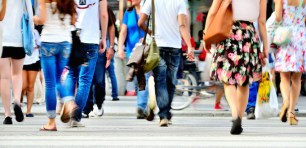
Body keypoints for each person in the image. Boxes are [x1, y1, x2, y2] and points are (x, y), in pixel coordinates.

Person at [204, 0, 268, 135]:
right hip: (249, 35)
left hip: (228, 33)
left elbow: (213, 12)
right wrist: (265, 47)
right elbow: (262, 22)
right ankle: (240, 118)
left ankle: (235, 115)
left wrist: (206, 36)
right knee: (244, 82)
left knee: (228, 80)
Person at [138, 0, 194, 126]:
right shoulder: (180, 2)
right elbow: (182, 26)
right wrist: (189, 46)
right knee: (171, 82)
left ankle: (163, 114)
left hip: (158, 47)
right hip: (174, 47)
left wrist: (151, 33)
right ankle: (166, 113)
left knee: (160, 81)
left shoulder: (151, 1)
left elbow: (141, 22)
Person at [61, 0, 108, 127]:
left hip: (73, 35)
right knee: (85, 80)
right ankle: (75, 118)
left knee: (71, 74)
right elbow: (103, 14)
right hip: (91, 39)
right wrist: (103, 37)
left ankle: (69, 103)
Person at [33, 0, 76, 131]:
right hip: (65, 42)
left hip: (49, 41)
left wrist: (34, 18)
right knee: (58, 78)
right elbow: (73, 21)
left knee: (51, 82)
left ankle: (52, 121)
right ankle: (68, 100)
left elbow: (42, 20)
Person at [1, 0, 34, 125]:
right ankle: (16, 101)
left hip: (2, 39)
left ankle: (7, 114)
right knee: (17, 74)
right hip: (19, 38)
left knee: (4, 77)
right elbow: (30, 14)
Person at [275, 0, 306, 126]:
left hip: (285, 36)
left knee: (284, 77)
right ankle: (292, 113)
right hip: (301, 37)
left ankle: (286, 102)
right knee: (297, 78)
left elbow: (278, 17)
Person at [118, 0, 150, 119]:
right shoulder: (129, 12)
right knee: (137, 79)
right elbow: (123, 32)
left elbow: (155, 28)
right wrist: (120, 48)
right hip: (132, 51)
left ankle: (141, 106)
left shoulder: (148, 11)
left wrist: (148, 37)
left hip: (146, 49)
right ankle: (143, 106)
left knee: (143, 76)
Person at [82, 5, 116, 118]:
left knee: (99, 79)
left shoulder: (103, 5)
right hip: (84, 42)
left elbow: (111, 26)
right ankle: (87, 108)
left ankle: (99, 103)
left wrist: (111, 47)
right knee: (87, 78)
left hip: (100, 44)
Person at [21, 29, 41, 117]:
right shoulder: (20, 30)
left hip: (33, 60)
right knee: (23, 86)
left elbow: (40, 44)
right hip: (21, 60)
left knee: (30, 86)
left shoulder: (35, 32)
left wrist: (32, 46)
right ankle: (19, 103)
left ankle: (28, 111)